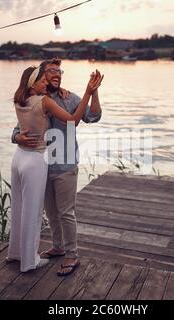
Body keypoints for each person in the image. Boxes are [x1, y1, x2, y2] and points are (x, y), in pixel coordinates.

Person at [7, 64, 103, 273]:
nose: (57, 75)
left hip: (65, 164)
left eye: (59, 71)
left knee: (66, 213)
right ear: (42, 77)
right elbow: (19, 129)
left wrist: (93, 93)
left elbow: (93, 116)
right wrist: (17, 137)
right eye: (51, 71)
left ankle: (72, 255)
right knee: (51, 212)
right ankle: (58, 247)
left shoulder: (69, 98)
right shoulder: (36, 100)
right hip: (42, 166)